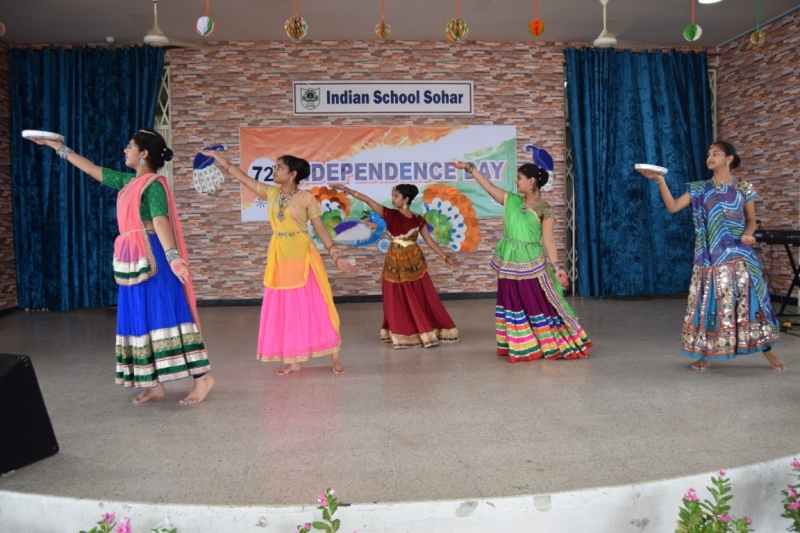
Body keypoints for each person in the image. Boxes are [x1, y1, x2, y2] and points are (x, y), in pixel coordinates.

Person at [29, 130, 214, 404]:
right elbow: (92, 169)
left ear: (144, 154)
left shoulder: (153, 185)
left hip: (153, 255)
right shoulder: (129, 182)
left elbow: (160, 221)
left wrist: (173, 257)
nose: (125, 150)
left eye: (130, 146)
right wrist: (57, 147)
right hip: (132, 257)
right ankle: (154, 383)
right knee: (141, 314)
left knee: (166, 311)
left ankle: (202, 378)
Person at [197, 150, 355, 375]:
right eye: (276, 166)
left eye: (280, 167)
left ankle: (334, 354)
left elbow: (320, 228)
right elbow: (242, 177)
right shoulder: (271, 193)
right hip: (280, 256)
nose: (275, 170)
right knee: (287, 308)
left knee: (317, 304)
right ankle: (293, 359)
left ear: (292, 174)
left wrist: (335, 254)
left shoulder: (306, 198)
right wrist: (217, 157)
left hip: (303, 256)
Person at [639, 141, 784, 371]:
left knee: (749, 302)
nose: (710, 157)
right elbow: (674, 206)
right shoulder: (700, 188)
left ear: (729, 159)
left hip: (740, 252)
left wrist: (748, 234)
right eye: (708, 153)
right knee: (710, 303)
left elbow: (751, 220)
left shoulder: (743, 187)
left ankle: (768, 351)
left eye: (716, 153)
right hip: (712, 256)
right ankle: (705, 354)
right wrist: (660, 181)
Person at [450, 160, 592, 362]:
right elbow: (488, 186)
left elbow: (549, 239)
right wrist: (470, 168)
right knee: (512, 302)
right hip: (509, 261)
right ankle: (522, 345)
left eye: (519, 178)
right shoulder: (512, 200)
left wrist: (557, 267)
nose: (516, 182)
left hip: (531, 262)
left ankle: (548, 343)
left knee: (534, 302)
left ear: (531, 181)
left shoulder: (545, 209)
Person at [334, 184, 460, 348]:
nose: (393, 199)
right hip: (395, 261)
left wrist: (444, 256)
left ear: (406, 199)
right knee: (396, 295)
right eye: (393, 195)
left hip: (414, 262)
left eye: (396, 196)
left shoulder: (417, 219)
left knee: (419, 294)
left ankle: (424, 328)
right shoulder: (390, 214)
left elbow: (429, 241)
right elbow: (368, 200)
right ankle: (403, 330)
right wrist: (348, 190)